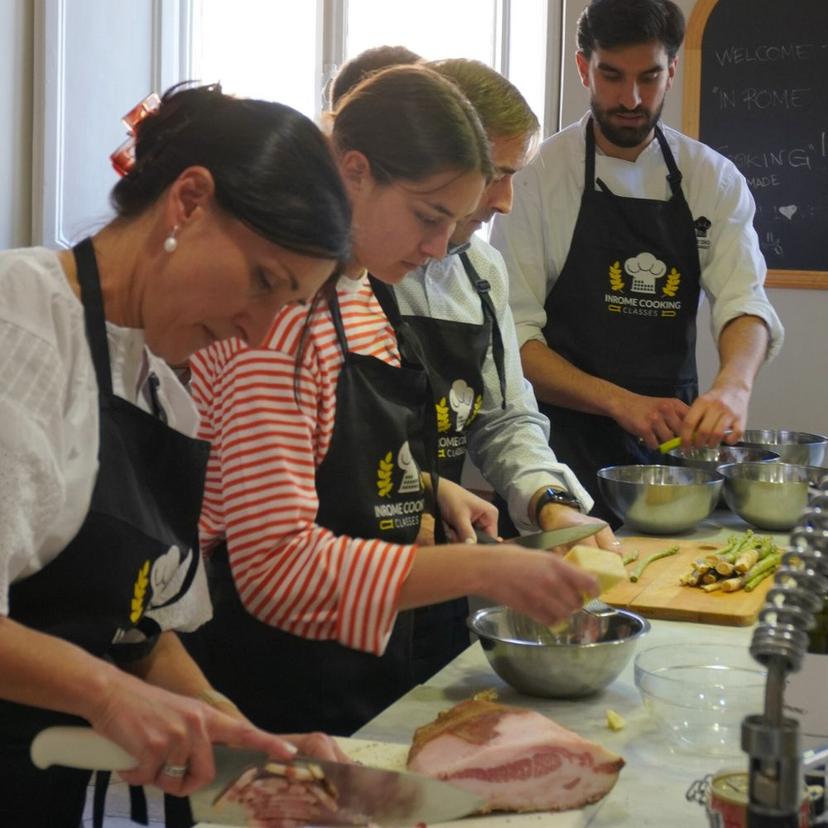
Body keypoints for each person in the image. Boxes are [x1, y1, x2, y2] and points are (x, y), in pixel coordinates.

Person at [187, 65, 600, 738]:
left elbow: (336, 449)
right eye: (428, 217)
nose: (440, 246)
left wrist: (426, 485)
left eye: (453, 222)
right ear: (354, 174)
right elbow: (275, 566)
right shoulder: (279, 314)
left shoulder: (357, 295)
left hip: (367, 656)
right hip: (275, 675)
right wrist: (487, 568)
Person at [0, 83, 353, 827]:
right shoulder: (19, 327)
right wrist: (103, 694)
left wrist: (239, 735)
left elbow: (134, 630)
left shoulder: (161, 390)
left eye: (285, 307)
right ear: (188, 202)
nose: (259, 334)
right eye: (264, 281)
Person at [330, 54, 619, 679]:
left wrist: (548, 501)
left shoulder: (482, 274)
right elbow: (309, 467)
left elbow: (504, 416)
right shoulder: (345, 275)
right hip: (336, 584)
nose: (507, 201)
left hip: (435, 572)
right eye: (496, 174)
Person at [490, 0, 784, 525]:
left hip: (677, 451)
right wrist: (619, 402)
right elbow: (515, 339)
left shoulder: (711, 179)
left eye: (649, 77)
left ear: (672, 69)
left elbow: (744, 301)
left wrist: (734, 386)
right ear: (584, 68)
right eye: (612, 76)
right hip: (560, 453)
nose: (631, 98)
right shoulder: (535, 180)